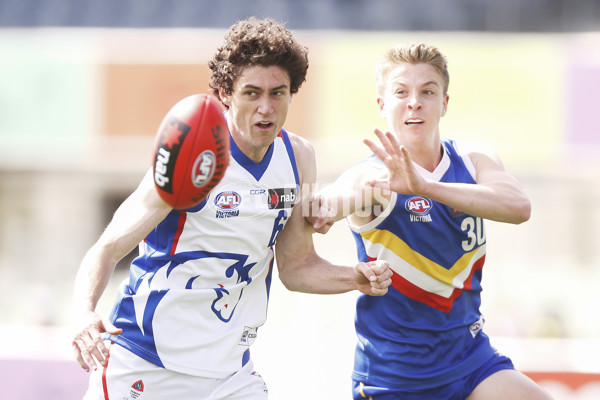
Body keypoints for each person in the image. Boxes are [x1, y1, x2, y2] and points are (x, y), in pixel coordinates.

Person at [71, 17, 392, 400]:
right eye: (252, 93)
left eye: (278, 93)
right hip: (145, 362)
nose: (266, 108)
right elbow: (106, 248)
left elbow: (296, 267)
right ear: (226, 92)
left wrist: (354, 277)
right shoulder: (193, 152)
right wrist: (84, 313)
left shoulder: (298, 157)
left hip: (229, 374)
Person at [307, 43, 553, 399]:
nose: (414, 102)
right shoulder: (374, 178)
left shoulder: (472, 160)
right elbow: (338, 197)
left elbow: (518, 207)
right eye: (401, 92)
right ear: (382, 105)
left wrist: (427, 187)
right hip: (397, 377)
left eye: (427, 91)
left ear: (445, 103)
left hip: (471, 361)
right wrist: (325, 206)